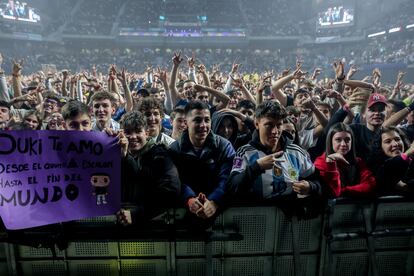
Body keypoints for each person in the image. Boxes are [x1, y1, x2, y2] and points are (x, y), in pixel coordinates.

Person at [228, 101, 321, 212]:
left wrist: (311, 187)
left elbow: (318, 181)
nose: (275, 131)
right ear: (257, 124)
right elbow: (232, 187)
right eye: (269, 125)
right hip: (256, 219)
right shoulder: (245, 153)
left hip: (289, 222)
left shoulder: (296, 152)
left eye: (279, 125)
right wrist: (256, 167)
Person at [169, 101, 235, 223]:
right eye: (197, 120)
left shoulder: (224, 146)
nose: (203, 125)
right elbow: (177, 181)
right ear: (186, 123)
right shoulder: (174, 149)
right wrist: (189, 199)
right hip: (185, 217)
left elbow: (227, 178)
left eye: (207, 120)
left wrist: (214, 201)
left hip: (221, 215)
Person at [117, 111, 181, 224]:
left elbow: (170, 192)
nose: (132, 137)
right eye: (128, 132)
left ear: (147, 133)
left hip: (153, 227)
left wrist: (136, 215)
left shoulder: (160, 156)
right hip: (123, 222)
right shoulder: (120, 156)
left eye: (138, 131)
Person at [314, 123, 376, 198]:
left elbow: (370, 184)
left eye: (347, 140)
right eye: (338, 140)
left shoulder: (358, 161)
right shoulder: (320, 162)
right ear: (330, 141)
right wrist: (331, 163)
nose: (343, 144)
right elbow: (333, 192)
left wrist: (344, 190)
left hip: (354, 207)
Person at [368, 126, 414, 195]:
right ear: (380, 146)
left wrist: (406, 186)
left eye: (397, 139)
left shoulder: (411, 162)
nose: (395, 144)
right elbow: (387, 175)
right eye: (388, 142)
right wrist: (407, 154)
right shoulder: (376, 167)